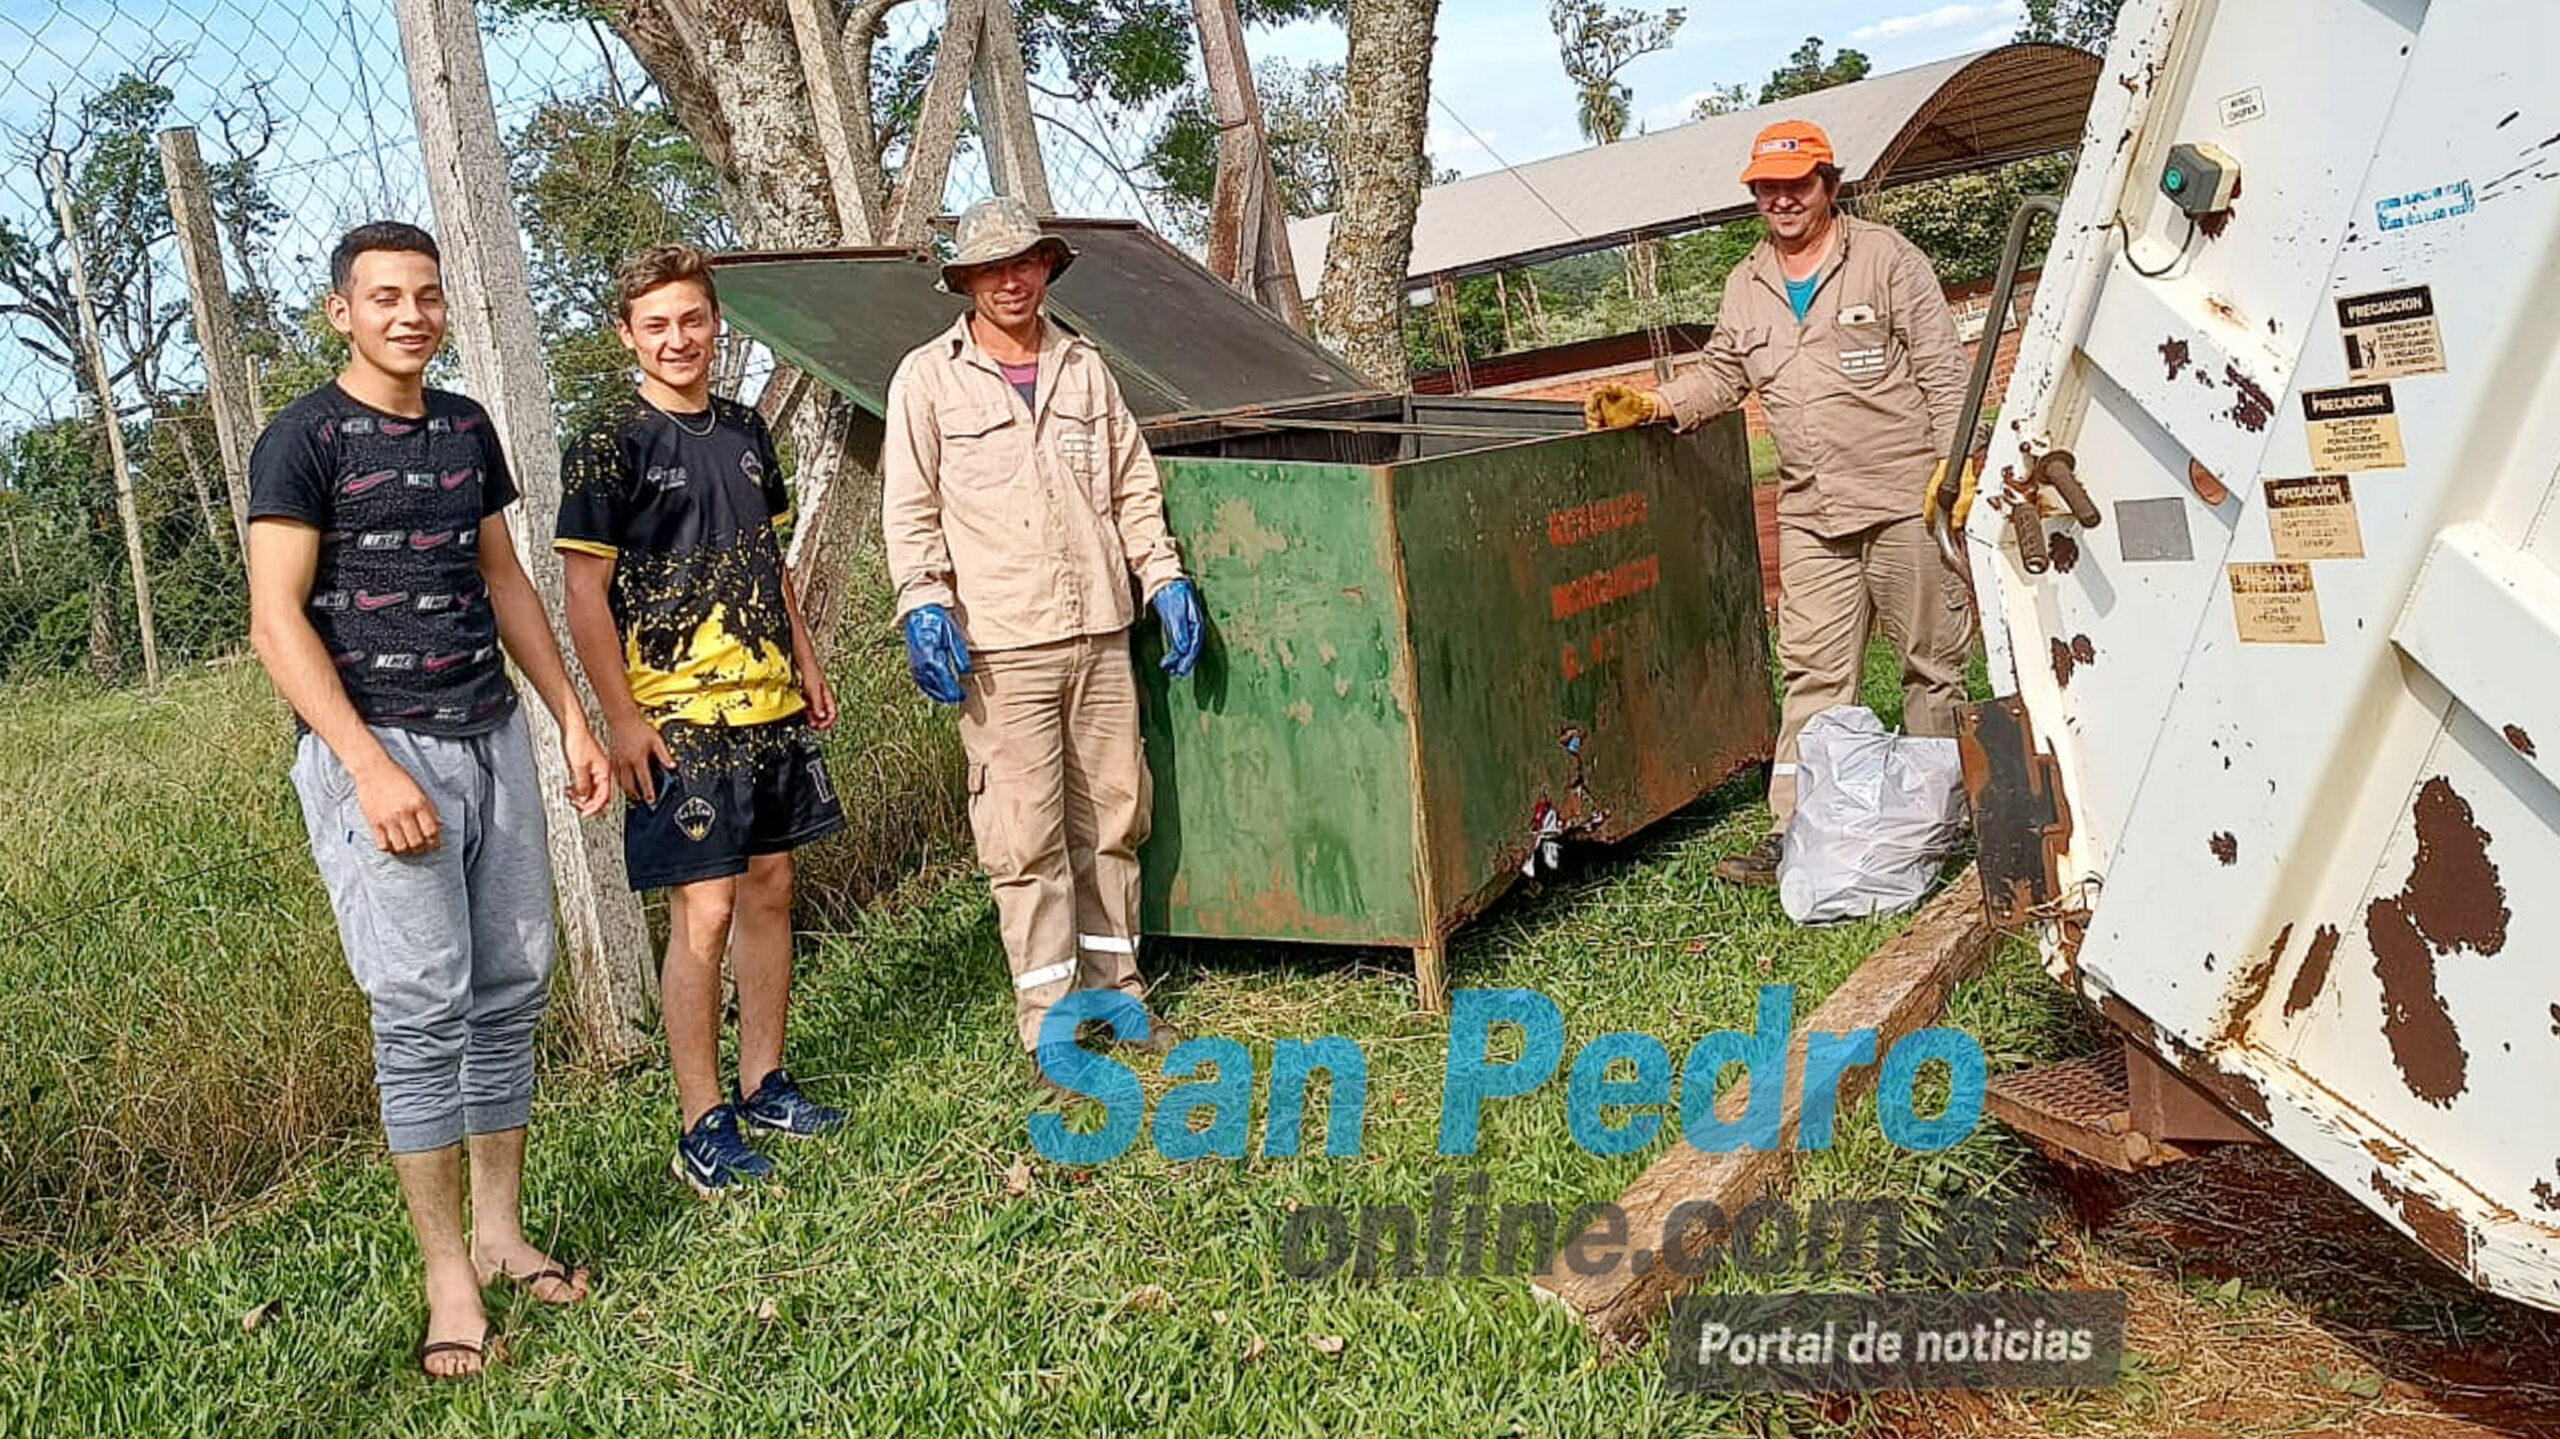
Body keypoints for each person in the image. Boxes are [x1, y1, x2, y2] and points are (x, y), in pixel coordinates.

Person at [245, 221, 612, 1380]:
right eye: (385, 297)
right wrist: (366, 764)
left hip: (491, 731)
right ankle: (448, 1279)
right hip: (383, 751)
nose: (411, 314)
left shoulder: (464, 426)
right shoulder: (301, 438)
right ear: (341, 312)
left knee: (509, 989)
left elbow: (500, 574)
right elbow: (276, 619)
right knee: (420, 1014)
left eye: (427, 296)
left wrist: (567, 715)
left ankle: (502, 1234)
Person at [1585, 120, 1976, 888]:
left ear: (1830, 183)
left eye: (1798, 183)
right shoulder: (1746, 284)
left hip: (1903, 500)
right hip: (1812, 515)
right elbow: (1723, 374)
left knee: (1931, 666)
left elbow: (1941, 368)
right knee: (1814, 676)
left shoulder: (1888, 259)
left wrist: (1954, 468)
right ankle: (1797, 830)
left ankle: (1949, 818)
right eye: (1768, 186)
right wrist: (1654, 403)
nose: (1783, 198)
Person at [879, 196, 1205, 1096]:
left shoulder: (1084, 368)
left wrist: (1163, 576)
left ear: (1048, 267)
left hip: (1100, 630)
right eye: (990, 270)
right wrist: (923, 604)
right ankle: (1050, 1023)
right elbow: (909, 515)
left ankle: (1118, 988)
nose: (1010, 281)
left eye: (1024, 263)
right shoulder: (928, 381)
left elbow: (1132, 487)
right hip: (1002, 643)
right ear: (967, 282)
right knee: (1024, 838)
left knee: (1113, 817)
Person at [555, 243, 849, 1197]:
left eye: (693, 319)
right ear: (627, 335)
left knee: (770, 889)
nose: (679, 339)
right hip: (678, 718)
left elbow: (770, 558)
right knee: (706, 910)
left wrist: (803, 661)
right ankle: (700, 1119)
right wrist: (621, 718)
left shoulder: (746, 428)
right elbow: (583, 593)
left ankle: (765, 1081)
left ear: (717, 324)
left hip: (767, 706)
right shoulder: (610, 442)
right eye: (657, 324)